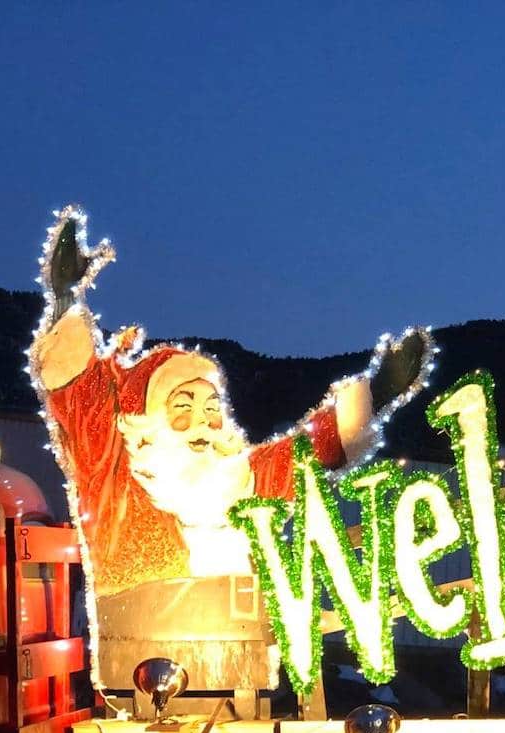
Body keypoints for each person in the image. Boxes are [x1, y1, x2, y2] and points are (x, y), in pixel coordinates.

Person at [27, 207, 436, 702]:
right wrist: (66, 299)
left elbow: (309, 450)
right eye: (182, 406)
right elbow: (78, 392)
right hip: (140, 656)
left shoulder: (240, 477)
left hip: (241, 658)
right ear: (147, 420)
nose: (202, 422)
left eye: (210, 407)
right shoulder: (116, 468)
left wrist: (378, 393)